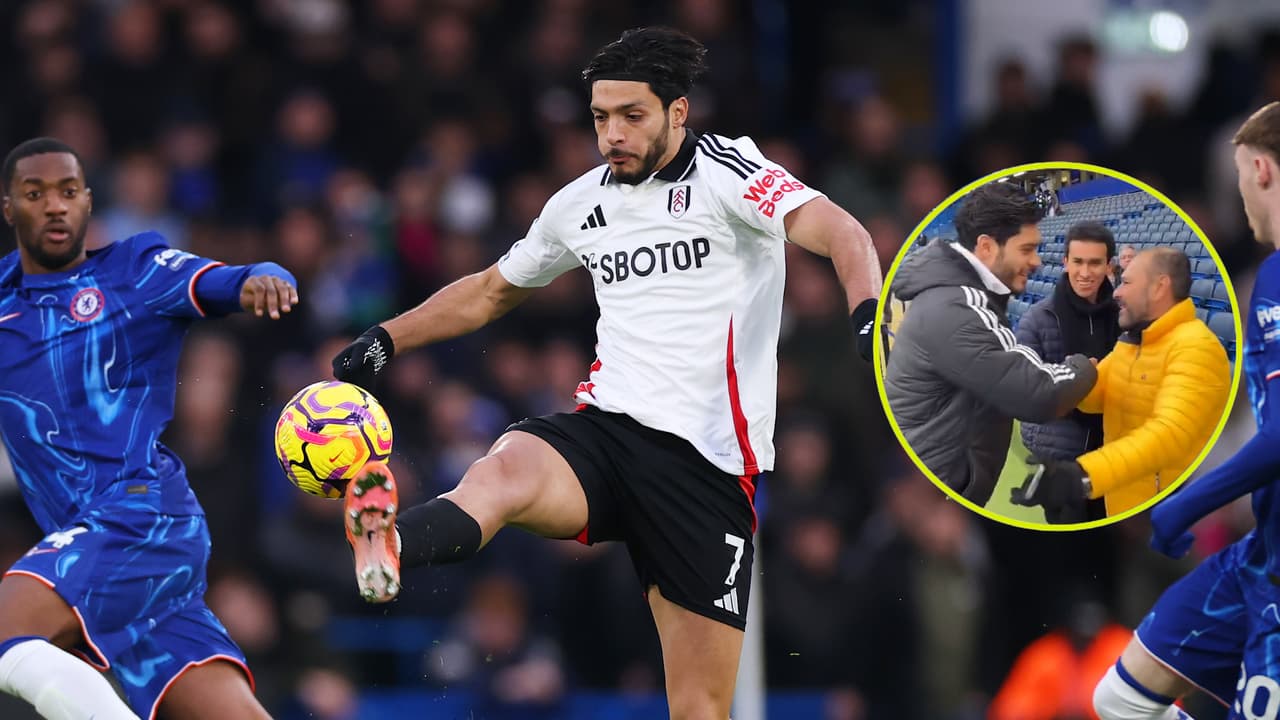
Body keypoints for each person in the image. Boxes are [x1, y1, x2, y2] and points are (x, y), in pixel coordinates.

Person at [330, 27, 882, 720]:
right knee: (504, 470)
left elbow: (843, 233)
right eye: (599, 118)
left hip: (706, 473)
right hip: (606, 436)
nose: (611, 135)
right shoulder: (579, 204)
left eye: (631, 116)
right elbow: (489, 291)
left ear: (678, 112)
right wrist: (385, 338)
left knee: (701, 709)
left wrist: (868, 312)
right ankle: (390, 542)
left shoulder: (732, 174)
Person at [0, 138, 297, 720]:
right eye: (35, 194)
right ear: (9, 208)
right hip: (109, 559)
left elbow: (230, 278)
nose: (55, 206)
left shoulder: (135, 271)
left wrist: (263, 277)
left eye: (68, 191)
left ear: (88, 202)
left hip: (140, 517)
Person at [1085, 101, 1280, 720]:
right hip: (1259, 555)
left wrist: (1187, 502)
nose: (1240, 198)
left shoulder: (1278, 276)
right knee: (1119, 698)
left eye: (1240, 180)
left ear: (1261, 170)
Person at [883, 181, 1097, 505]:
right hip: (943, 493)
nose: (1037, 261)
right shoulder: (955, 308)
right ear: (986, 247)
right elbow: (1036, 393)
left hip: (944, 482)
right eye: (1026, 249)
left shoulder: (954, 293)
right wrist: (1084, 368)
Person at [1010, 247, 1230, 521]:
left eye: (1126, 282)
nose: (1116, 291)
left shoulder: (1196, 347)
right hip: (1122, 504)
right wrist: (1077, 374)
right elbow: (1095, 400)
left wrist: (1083, 476)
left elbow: (1169, 434)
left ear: (1159, 287)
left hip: (1169, 514)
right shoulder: (1132, 341)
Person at [1015, 220, 1121, 522]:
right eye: (1077, 262)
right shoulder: (1037, 320)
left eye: (1094, 263)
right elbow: (1027, 395)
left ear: (1108, 266)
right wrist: (1078, 377)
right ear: (1065, 262)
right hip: (1060, 457)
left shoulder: (1124, 316)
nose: (1085, 273)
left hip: (1113, 452)